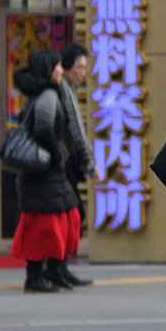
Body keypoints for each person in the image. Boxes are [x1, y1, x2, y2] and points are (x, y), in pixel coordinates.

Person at [9, 49, 88, 294]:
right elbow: (43, 128)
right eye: (57, 68)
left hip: (45, 171)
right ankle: (36, 276)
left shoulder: (44, 92)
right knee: (44, 223)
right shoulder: (47, 95)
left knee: (67, 217)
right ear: (47, 70)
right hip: (45, 170)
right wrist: (57, 154)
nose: (61, 72)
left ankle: (53, 269)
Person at [54, 41, 95, 287]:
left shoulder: (65, 88)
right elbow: (77, 131)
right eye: (78, 67)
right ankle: (55, 267)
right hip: (61, 165)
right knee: (70, 215)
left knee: (69, 216)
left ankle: (59, 267)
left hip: (64, 164)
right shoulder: (62, 90)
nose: (82, 72)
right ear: (66, 67)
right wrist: (90, 164)